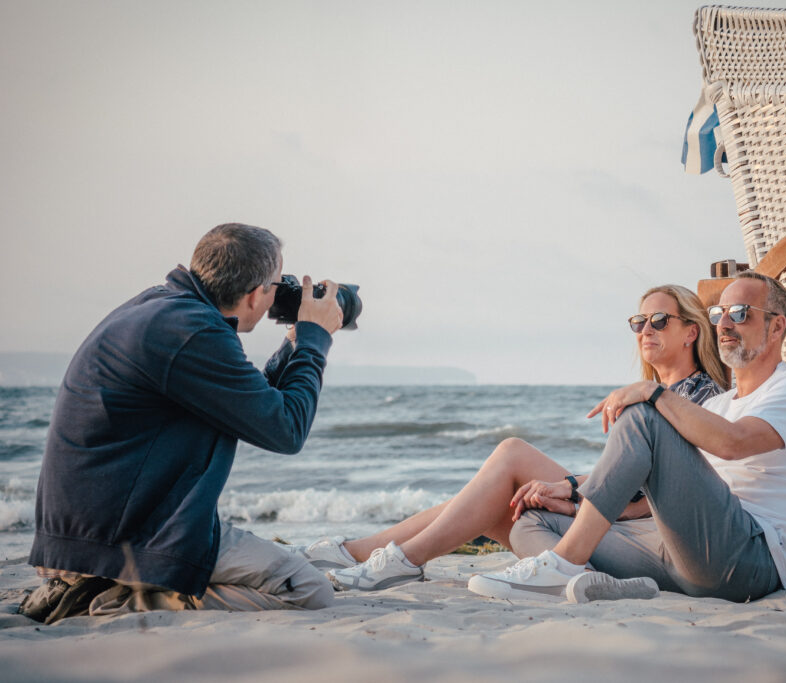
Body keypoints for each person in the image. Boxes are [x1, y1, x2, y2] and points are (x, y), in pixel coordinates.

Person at [21, 223, 345, 623]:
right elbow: (286, 429)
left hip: (89, 533)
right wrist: (316, 341)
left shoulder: (167, 311)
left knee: (279, 566)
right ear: (253, 294)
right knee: (310, 590)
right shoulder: (192, 332)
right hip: (124, 539)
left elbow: (251, 402)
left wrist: (296, 342)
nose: (283, 294)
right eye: (280, 284)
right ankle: (109, 601)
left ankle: (108, 581)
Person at [312, 285, 728, 593]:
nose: (645, 330)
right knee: (500, 500)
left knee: (511, 457)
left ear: (691, 332)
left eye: (659, 321)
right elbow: (624, 475)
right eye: (639, 322)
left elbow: (666, 496)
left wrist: (571, 497)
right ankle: (363, 552)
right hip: (616, 517)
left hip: (651, 537)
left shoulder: (701, 398)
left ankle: (389, 559)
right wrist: (567, 490)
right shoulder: (651, 394)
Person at [468, 271, 786, 604]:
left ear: (776, 327)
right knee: (532, 520)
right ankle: (592, 583)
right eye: (718, 314)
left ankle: (563, 565)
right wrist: (574, 494)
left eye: (739, 313)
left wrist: (653, 392)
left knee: (643, 414)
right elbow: (666, 487)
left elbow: (734, 443)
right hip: (683, 552)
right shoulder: (719, 405)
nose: (724, 323)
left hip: (750, 558)